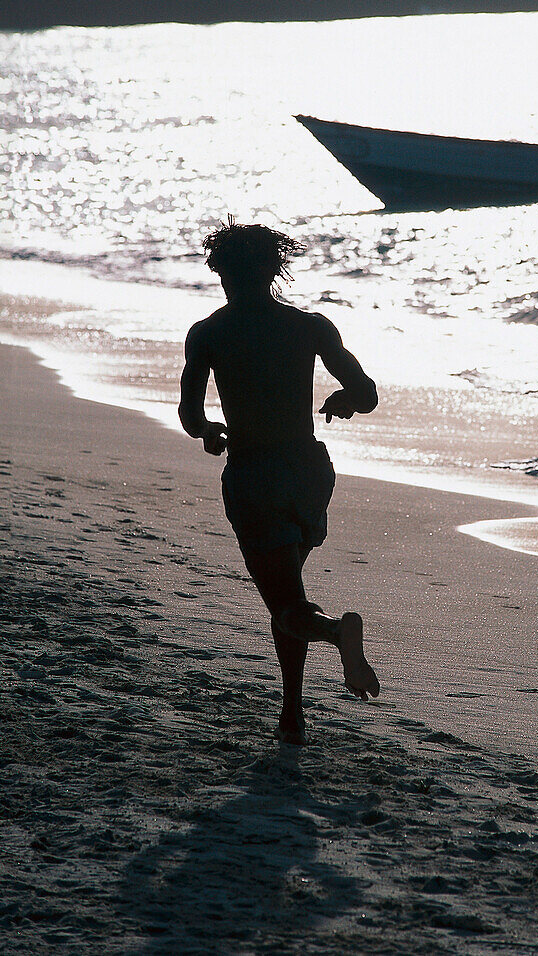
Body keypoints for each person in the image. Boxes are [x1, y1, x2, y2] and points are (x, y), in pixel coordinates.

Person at [178, 217, 380, 744]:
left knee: (287, 603)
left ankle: (337, 633)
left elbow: (191, 414)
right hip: (308, 472)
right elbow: (366, 392)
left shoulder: (209, 333)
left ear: (220, 272)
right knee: (288, 592)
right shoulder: (310, 326)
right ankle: (292, 712)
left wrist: (210, 435)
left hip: (254, 474)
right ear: (275, 269)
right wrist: (345, 403)